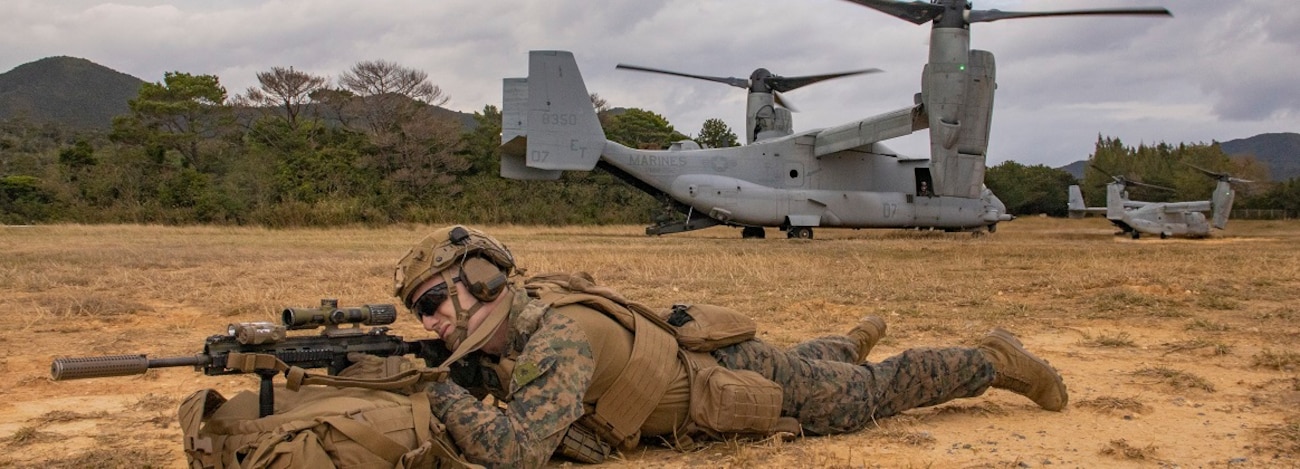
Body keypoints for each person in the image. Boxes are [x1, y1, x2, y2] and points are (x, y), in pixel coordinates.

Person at [392, 225, 1067, 467]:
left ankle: (994, 357)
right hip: (706, 369)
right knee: (816, 366)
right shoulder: (514, 328)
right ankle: (848, 340)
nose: (427, 322)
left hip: (732, 374)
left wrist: (432, 386)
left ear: (480, 281)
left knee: (868, 398)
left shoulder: (558, 334)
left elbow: (516, 448)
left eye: (431, 302)